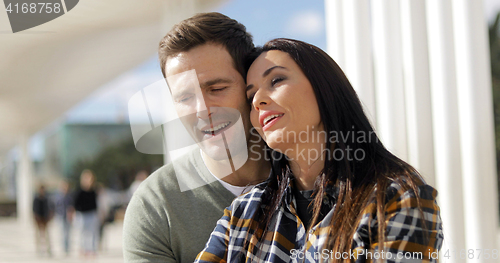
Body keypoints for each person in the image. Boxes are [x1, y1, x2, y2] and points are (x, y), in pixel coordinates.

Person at [195, 38, 444, 262]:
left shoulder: (398, 196)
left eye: (276, 80)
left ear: (324, 87)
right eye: (250, 99)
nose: (258, 100)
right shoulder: (241, 214)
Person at [123, 12, 270, 262]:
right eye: (185, 98)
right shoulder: (155, 206)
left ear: (250, 87)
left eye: (217, 89)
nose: (202, 110)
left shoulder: (311, 175)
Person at [73, 169, 99, 256]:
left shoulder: (93, 191)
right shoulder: (79, 191)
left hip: (91, 214)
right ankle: (83, 249)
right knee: (82, 233)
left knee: (92, 233)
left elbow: (96, 204)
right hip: (81, 215)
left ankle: (91, 249)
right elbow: (75, 204)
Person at [53, 180, 74, 256]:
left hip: (67, 217)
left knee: (67, 233)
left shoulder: (70, 197)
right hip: (60, 216)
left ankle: (67, 248)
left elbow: (72, 207)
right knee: (62, 232)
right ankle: (63, 247)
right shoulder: (58, 197)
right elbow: (55, 206)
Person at [32, 184, 53, 256]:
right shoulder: (36, 199)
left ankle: (48, 249)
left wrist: (48, 217)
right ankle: (38, 250)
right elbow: (34, 210)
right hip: (38, 220)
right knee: (38, 236)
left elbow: (49, 209)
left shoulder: (46, 199)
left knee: (46, 235)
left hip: (45, 219)